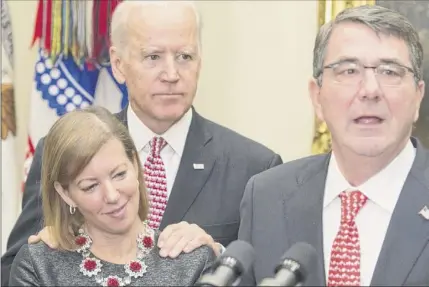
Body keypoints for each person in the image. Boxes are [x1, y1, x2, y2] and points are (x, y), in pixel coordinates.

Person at [1, 1, 282, 285]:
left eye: (185, 56)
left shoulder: (254, 168)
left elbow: (269, 274)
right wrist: (53, 247)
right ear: (118, 64)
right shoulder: (61, 153)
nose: (171, 74)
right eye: (153, 57)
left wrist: (219, 261)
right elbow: (13, 270)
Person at [238, 5, 429, 286]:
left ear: (418, 97)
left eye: (390, 71)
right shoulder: (266, 197)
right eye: (349, 70)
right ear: (317, 97)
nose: (370, 90)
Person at [9, 106, 216, 286]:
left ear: (135, 164)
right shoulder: (38, 265)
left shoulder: (192, 262)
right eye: (90, 186)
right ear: (65, 194)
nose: (112, 195)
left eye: (119, 174)